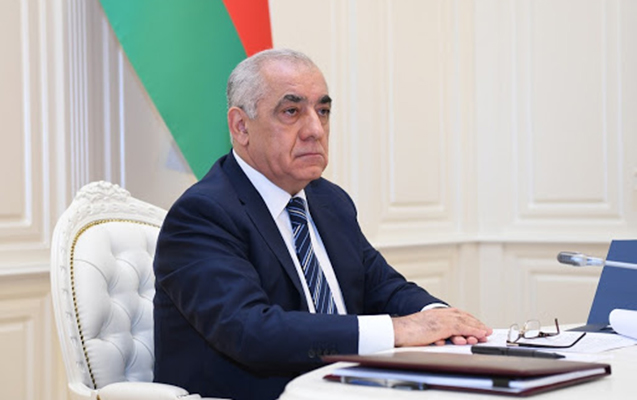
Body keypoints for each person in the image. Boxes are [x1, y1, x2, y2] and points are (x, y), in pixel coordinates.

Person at [153, 48, 492, 400]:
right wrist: (398, 331)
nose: (315, 130)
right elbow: (251, 331)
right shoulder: (202, 214)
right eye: (291, 112)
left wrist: (441, 319)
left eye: (323, 111)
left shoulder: (329, 201)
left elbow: (384, 288)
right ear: (241, 126)